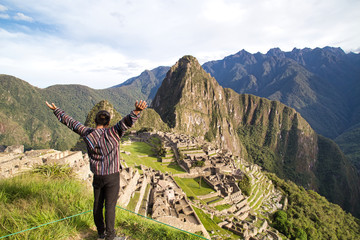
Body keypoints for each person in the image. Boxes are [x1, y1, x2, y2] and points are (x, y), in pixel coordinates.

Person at [46, 100, 147, 240]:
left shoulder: (88, 133)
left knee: (97, 205)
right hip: (112, 175)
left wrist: (57, 110)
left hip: (98, 175)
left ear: (95, 120)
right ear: (109, 122)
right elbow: (126, 122)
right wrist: (137, 110)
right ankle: (110, 236)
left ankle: (101, 234)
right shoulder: (113, 132)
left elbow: (72, 123)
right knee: (110, 206)